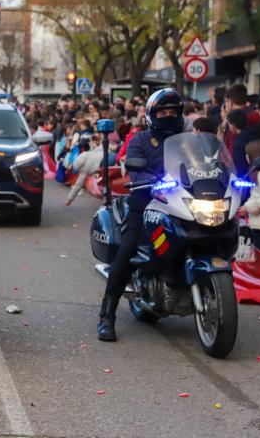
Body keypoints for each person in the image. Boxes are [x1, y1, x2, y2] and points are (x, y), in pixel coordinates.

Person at [97, 88, 185, 342]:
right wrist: (151, 182)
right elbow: (135, 170)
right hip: (146, 204)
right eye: (163, 112)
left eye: (172, 112)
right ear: (152, 115)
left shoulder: (186, 139)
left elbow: (204, 163)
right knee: (127, 252)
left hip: (181, 205)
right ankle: (107, 315)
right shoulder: (140, 140)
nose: (168, 116)